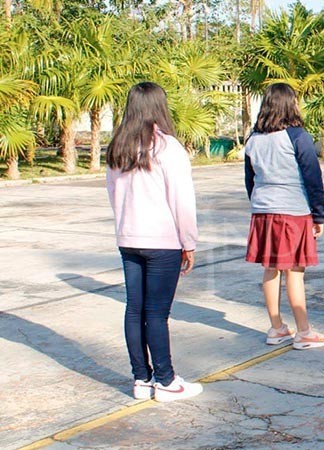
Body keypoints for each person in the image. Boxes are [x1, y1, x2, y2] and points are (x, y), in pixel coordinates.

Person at [106, 82, 202, 402]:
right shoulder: (167, 147)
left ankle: (141, 379)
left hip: (128, 238)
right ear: (160, 106)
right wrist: (189, 242)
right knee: (157, 313)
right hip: (162, 241)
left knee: (135, 310)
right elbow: (182, 200)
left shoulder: (118, 145)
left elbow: (112, 194)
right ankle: (166, 380)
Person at [244, 83, 324, 350]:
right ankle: (304, 331)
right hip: (293, 210)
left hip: (263, 210)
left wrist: (260, 204)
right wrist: (318, 214)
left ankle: (276, 328)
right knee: (295, 271)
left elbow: (250, 180)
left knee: (270, 269)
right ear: (291, 104)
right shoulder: (297, 136)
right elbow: (312, 177)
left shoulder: (253, 139)